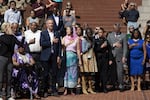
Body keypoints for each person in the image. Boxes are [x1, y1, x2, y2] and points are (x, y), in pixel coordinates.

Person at [40, 18, 61, 97]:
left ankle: (54, 90)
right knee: (45, 74)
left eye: (52, 23)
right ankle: (45, 90)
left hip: (54, 56)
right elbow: (42, 43)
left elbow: (59, 46)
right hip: (45, 56)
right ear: (46, 25)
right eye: (49, 23)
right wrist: (51, 41)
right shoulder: (43, 33)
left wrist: (59, 55)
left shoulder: (57, 33)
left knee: (54, 74)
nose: (51, 25)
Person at [0, 22, 21, 99]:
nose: (11, 28)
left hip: (10, 58)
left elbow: (20, 44)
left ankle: (9, 95)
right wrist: (11, 35)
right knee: (1, 77)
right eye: (10, 27)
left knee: (9, 77)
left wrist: (24, 38)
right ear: (6, 28)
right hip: (2, 57)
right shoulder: (2, 37)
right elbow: (8, 42)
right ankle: (1, 94)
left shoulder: (12, 37)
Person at [107, 23, 128, 92]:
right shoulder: (110, 35)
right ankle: (113, 84)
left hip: (120, 56)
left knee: (120, 71)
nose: (115, 30)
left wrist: (124, 56)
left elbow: (125, 47)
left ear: (119, 28)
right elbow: (108, 44)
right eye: (114, 28)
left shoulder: (124, 36)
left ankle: (121, 85)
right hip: (112, 56)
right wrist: (114, 44)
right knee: (112, 72)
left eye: (116, 28)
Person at [77, 27, 98, 94]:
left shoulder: (92, 39)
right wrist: (89, 46)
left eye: (90, 32)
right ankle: (84, 88)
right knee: (84, 73)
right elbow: (83, 49)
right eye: (88, 32)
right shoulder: (84, 40)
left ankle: (90, 88)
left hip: (91, 55)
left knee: (90, 73)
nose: (89, 33)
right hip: (85, 56)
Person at [62, 26, 81, 95]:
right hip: (66, 56)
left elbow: (78, 49)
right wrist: (69, 43)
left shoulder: (76, 39)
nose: (68, 31)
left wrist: (80, 59)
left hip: (73, 57)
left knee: (73, 73)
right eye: (67, 29)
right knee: (66, 72)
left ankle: (72, 89)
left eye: (69, 29)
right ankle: (66, 89)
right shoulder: (64, 38)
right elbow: (62, 48)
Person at [93, 27, 113, 93]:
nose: (100, 34)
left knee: (104, 74)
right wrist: (101, 47)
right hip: (98, 58)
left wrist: (110, 59)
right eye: (99, 32)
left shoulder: (106, 40)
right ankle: (97, 87)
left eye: (101, 32)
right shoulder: (95, 40)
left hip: (104, 58)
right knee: (97, 74)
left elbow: (110, 50)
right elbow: (95, 49)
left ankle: (104, 87)